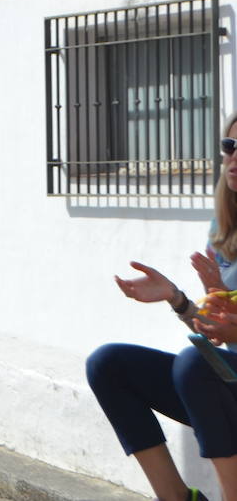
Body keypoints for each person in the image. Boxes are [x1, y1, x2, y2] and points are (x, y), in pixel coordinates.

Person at [86, 111, 237, 501]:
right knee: (108, 364)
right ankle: (176, 498)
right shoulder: (222, 232)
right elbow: (214, 330)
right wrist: (177, 298)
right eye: (229, 147)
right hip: (230, 385)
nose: (234, 157)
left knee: (193, 364)